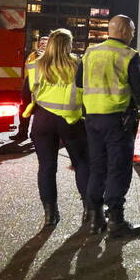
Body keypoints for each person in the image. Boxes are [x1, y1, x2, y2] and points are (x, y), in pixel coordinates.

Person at [77, 14, 140, 238]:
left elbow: (78, 82)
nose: (132, 35)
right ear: (123, 31)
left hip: (92, 118)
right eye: (131, 30)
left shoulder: (90, 52)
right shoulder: (128, 55)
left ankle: (94, 218)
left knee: (97, 168)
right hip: (117, 119)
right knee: (117, 170)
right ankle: (116, 221)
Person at [24, 29, 89, 227]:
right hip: (70, 120)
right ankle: (89, 209)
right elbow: (85, 91)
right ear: (68, 45)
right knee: (82, 163)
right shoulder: (78, 65)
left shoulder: (35, 64)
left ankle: (50, 214)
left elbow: (28, 92)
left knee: (46, 167)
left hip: (43, 119)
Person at [8, 35, 48, 143]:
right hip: (29, 84)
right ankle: (22, 133)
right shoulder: (32, 55)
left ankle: (35, 135)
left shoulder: (50, 56)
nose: (43, 45)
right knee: (24, 108)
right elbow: (27, 70)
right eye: (41, 43)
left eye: (45, 43)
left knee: (40, 111)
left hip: (42, 85)